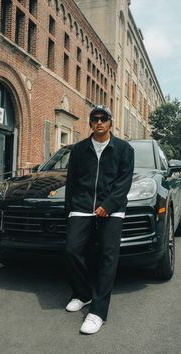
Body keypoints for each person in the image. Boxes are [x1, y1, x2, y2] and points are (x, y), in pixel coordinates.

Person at [65, 105, 134, 334]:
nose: (99, 122)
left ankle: (97, 312)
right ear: (90, 123)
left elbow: (124, 183)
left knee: (107, 256)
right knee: (72, 249)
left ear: (110, 122)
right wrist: (70, 209)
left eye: (103, 118)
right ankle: (83, 294)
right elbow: (72, 181)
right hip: (82, 206)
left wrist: (109, 205)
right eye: (95, 119)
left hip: (112, 209)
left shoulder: (124, 149)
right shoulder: (79, 149)